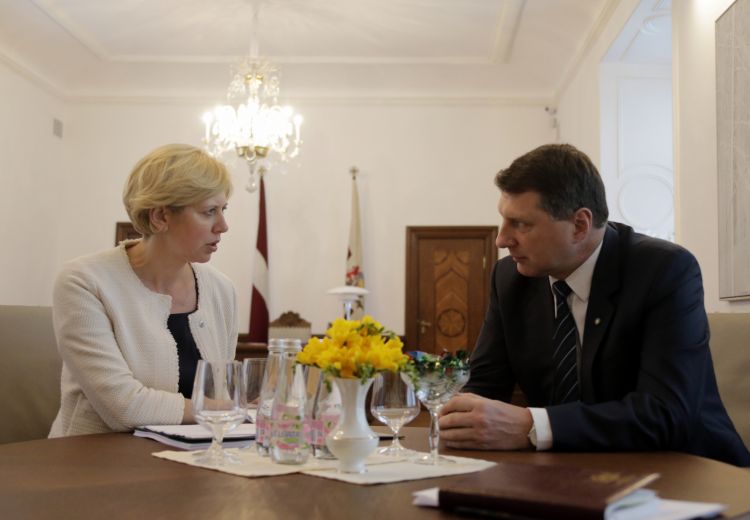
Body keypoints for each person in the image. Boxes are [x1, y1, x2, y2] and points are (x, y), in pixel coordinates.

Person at [438, 143, 750, 466]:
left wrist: (532, 425)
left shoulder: (663, 271)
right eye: (504, 219)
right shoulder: (510, 279)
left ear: (579, 225)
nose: (502, 240)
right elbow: (484, 387)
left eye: (521, 224)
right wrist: (456, 417)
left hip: (691, 470)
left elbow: (666, 413)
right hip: (569, 470)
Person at [49, 143, 238, 437]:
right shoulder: (83, 281)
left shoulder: (222, 290)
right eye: (209, 211)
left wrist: (229, 408)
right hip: (93, 457)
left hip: (192, 456)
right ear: (160, 217)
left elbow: (222, 392)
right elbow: (123, 408)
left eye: (223, 209)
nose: (223, 226)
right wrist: (227, 409)